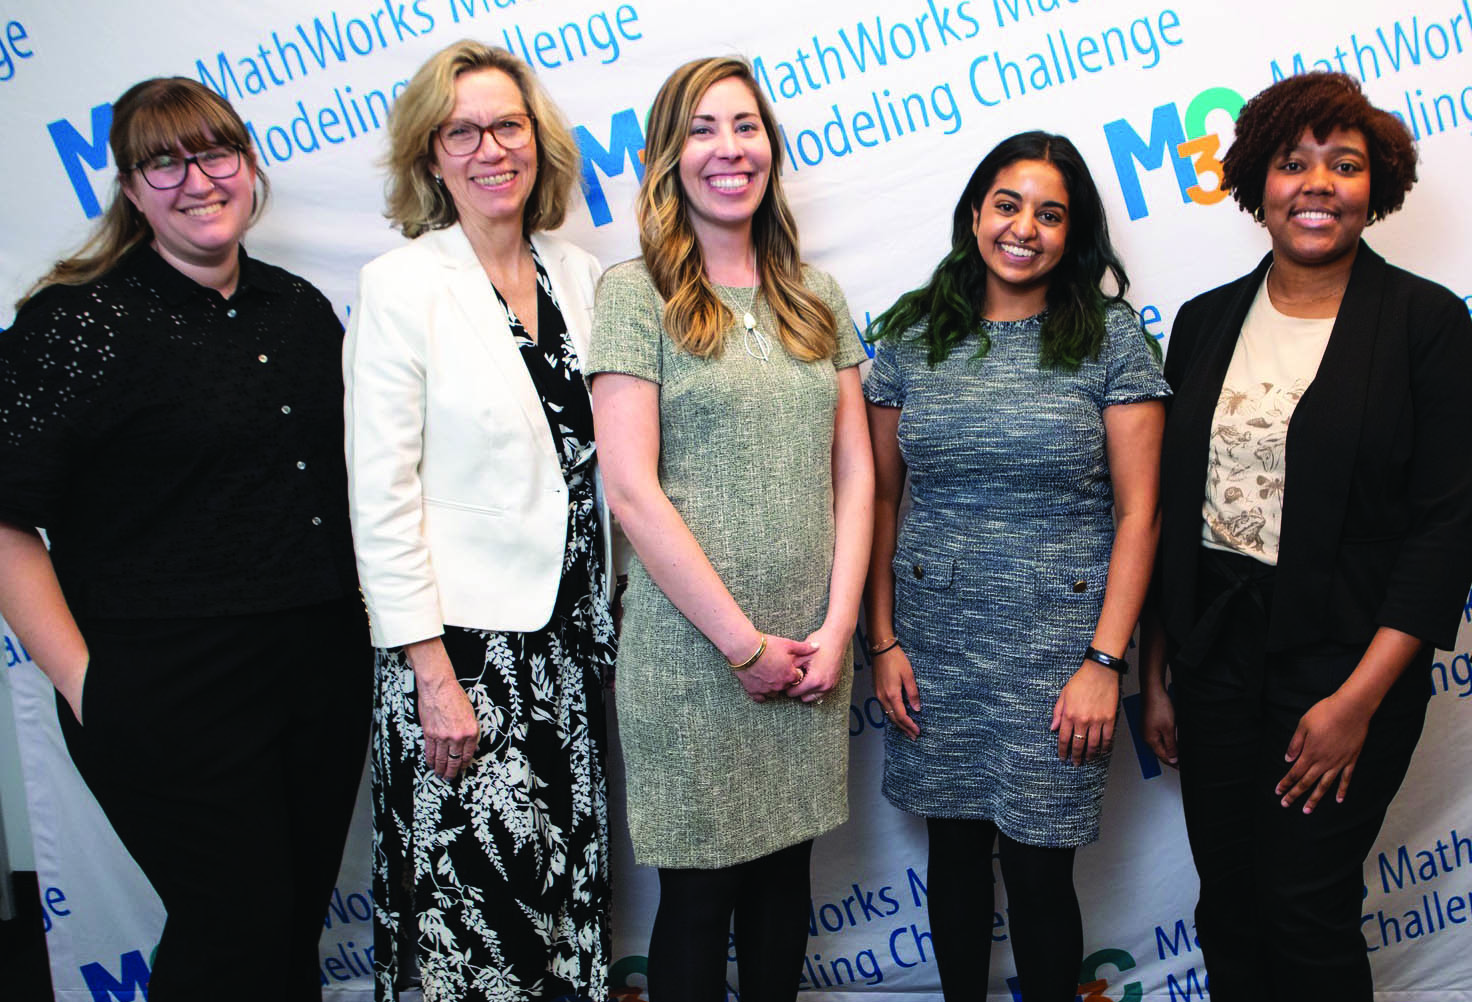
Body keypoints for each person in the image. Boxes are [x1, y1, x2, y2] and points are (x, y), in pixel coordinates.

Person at [0, 78, 369, 999]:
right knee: (230, 941)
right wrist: (90, 687)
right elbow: (5, 521)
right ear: (130, 188)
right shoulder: (75, 324)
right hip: (169, 690)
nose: (196, 179)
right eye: (163, 160)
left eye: (215, 153)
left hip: (318, 674)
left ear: (248, 167)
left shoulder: (298, 310)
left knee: (287, 936)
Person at [1139, 72, 1472, 1000]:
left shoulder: (1428, 326)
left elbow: (1449, 529)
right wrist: (1160, 670)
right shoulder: (1205, 323)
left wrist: (1358, 703)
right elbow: (1176, 506)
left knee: (1305, 901)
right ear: (1257, 182)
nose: (1317, 183)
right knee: (1228, 904)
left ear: (1379, 186)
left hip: (1346, 661)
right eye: (1293, 164)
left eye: (1345, 164)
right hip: (1215, 660)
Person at [587, 56, 872, 1001]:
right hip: (695, 658)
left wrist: (837, 631)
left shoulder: (816, 296)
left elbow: (857, 474)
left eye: (745, 125)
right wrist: (743, 646)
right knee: (699, 902)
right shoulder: (636, 296)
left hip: (810, 655)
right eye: (703, 128)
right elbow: (630, 490)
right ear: (670, 155)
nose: (728, 149)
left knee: (785, 890)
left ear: (770, 148)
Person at [862, 131, 1168, 1001]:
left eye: (1050, 213)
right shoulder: (914, 337)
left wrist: (1106, 664)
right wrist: (882, 642)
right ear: (974, 213)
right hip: (935, 647)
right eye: (1008, 204)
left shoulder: (1110, 341)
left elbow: (1141, 512)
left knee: (1039, 876)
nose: (1024, 227)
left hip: (1059, 658)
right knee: (955, 860)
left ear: (1074, 234)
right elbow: (882, 500)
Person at [343, 41, 611, 1002]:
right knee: (476, 930)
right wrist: (431, 675)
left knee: (565, 912)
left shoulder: (583, 278)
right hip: (459, 658)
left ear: (538, 142)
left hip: (571, 652)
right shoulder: (401, 286)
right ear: (432, 155)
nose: (490, 148)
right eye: (463, 131)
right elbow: (381, 497)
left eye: (508, 125)